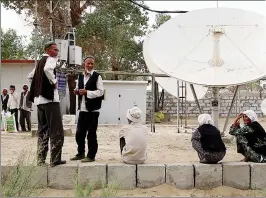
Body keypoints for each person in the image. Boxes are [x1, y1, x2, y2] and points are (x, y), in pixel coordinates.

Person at [27, 41, 65, 167]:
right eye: (55, 49)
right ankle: (55, 160)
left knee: (42, 131)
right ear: (48, 50)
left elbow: (30, 76)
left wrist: (40, 86)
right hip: (50, 101)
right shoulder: (50, 59)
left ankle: (40, 160)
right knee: (56, 131)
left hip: (39, 102)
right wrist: (53, 81)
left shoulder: (40, 62)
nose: (57, 52)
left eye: (57, 50)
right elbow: (48, 69)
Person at [70, 56, 104, 163]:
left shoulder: (97, 76)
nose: (90, 65)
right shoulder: (80, 76)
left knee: (91, 134)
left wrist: (87, 93)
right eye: (88, 63)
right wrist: (76, 91)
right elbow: (78, 88)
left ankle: (91, 156)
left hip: (93, 111)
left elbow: (101, 92)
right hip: (83, 110)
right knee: (79, 133)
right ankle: (81, 153)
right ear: (84, 63)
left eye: (92, 64)